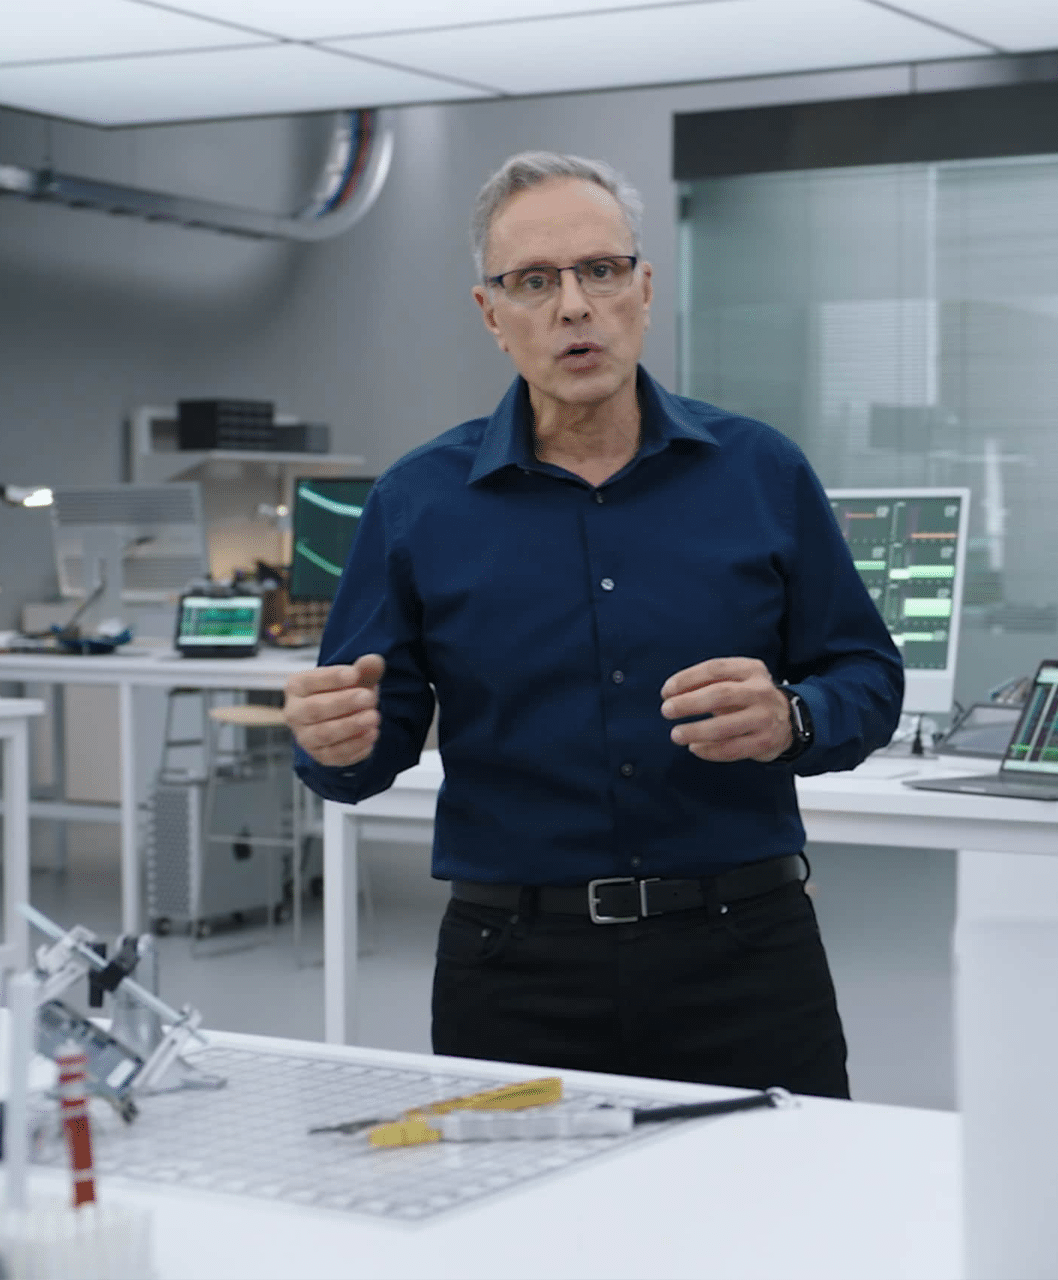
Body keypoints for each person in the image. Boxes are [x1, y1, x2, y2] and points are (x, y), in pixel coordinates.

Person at [286, 151, 902, 1099]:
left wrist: (793, 716)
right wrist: (333, 744)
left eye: (599, 271)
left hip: (745, 957)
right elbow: (366, 750)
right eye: (533, 281)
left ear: (643, 289)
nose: (573, 306)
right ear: (492, 316)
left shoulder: (760, 472)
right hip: (516, 971)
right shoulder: (418, 502)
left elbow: (865, 674)